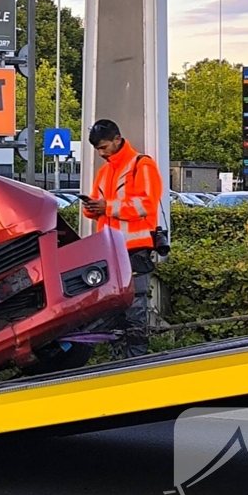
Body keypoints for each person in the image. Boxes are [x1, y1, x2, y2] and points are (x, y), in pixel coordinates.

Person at [81, 119, 163, 359]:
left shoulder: (142, 165)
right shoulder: (104, 171)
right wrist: (92, 207)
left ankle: (135, 359)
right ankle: (119, 359)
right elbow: (98, 204)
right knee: (112, 308)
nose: (101, 153)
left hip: (135, 249)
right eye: (97, 149)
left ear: (118, 140)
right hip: (110, 251)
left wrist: (106, 207)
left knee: (135, 308)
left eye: (104, 147)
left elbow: (146, 204)